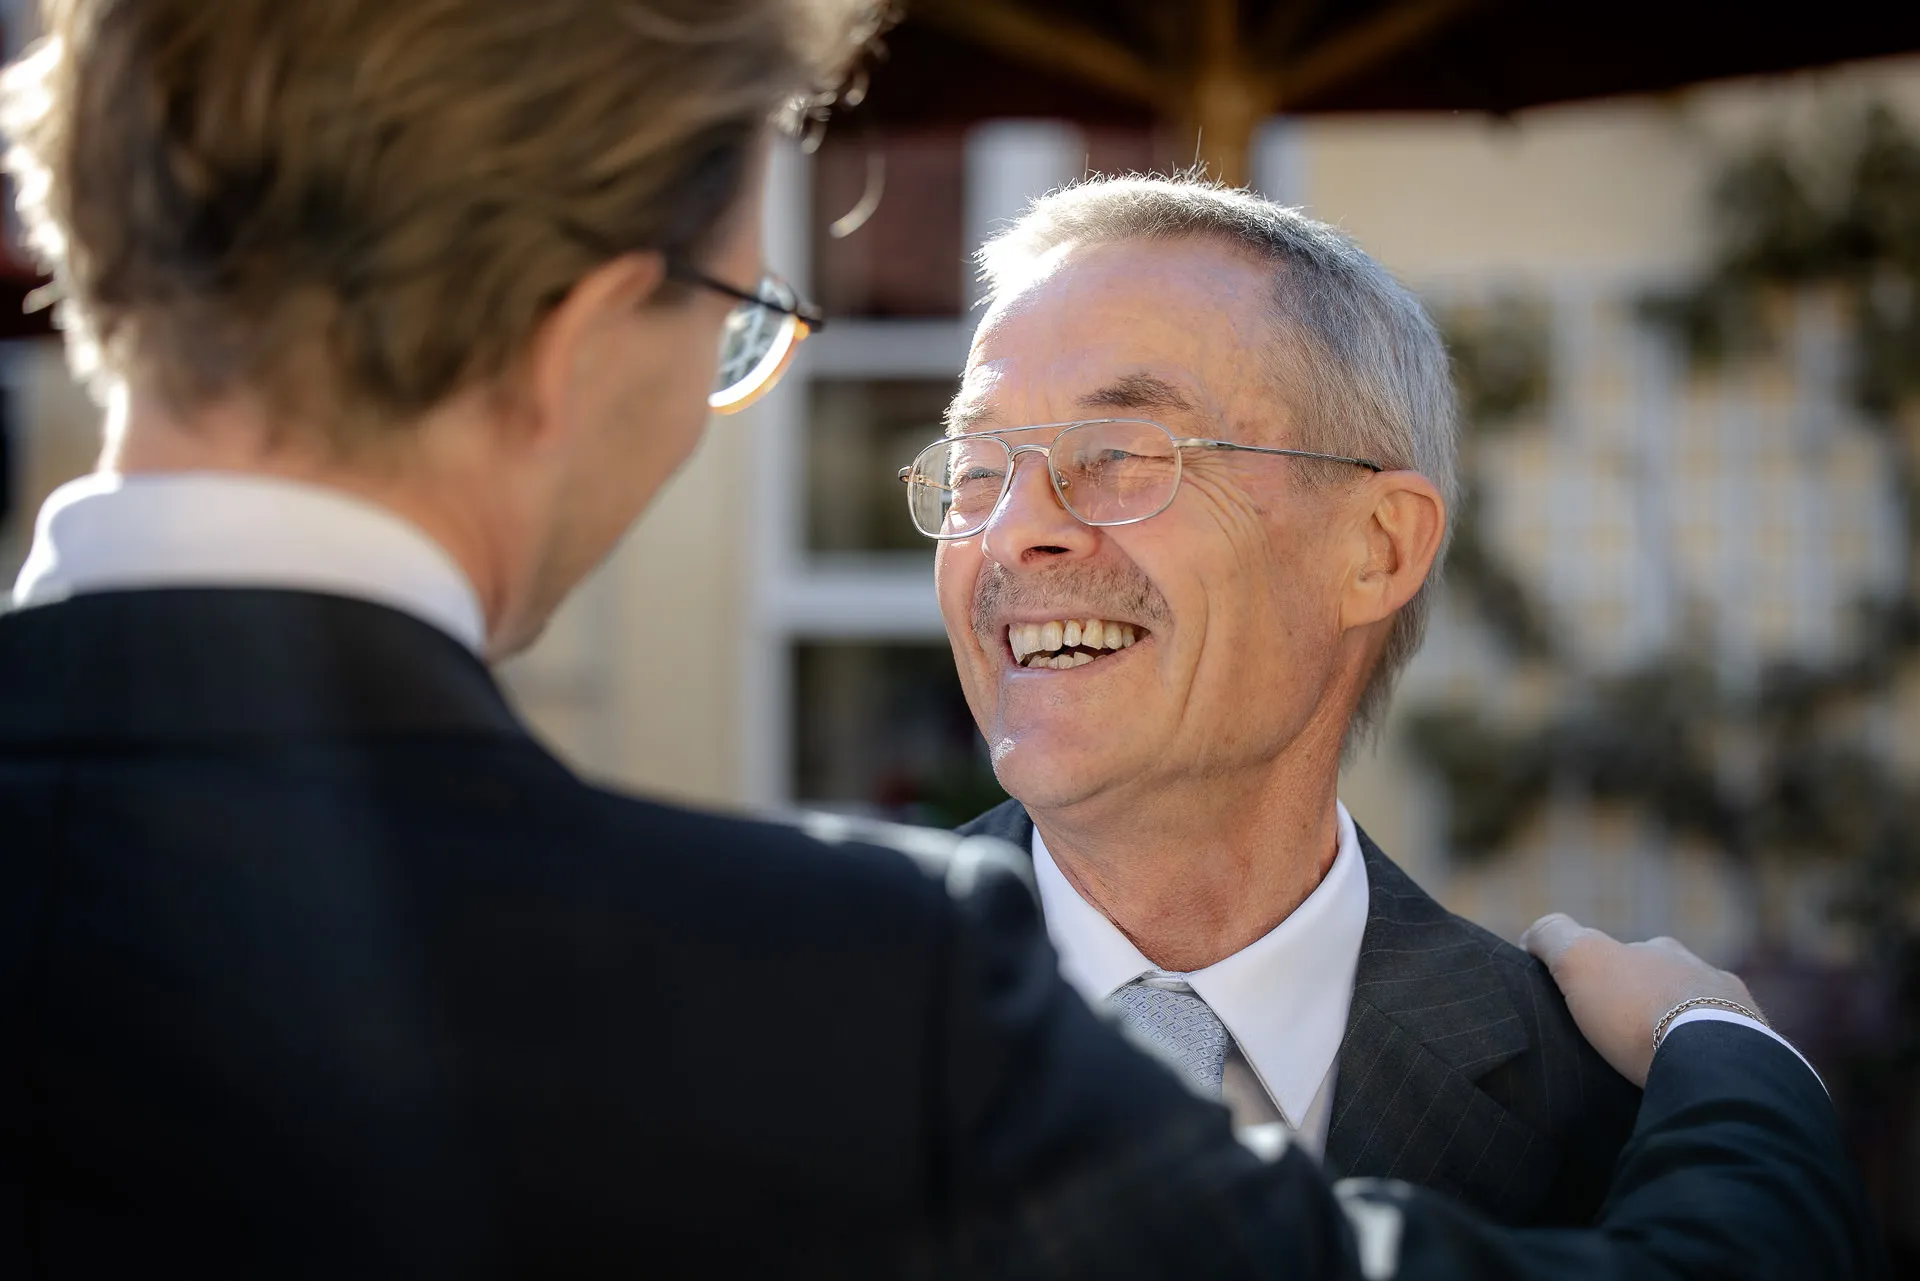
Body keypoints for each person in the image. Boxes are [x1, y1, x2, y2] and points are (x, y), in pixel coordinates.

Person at [0, 1, 1875, 1277]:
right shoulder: (822, 1000)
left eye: (1120, 452)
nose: (1015, 527)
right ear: (584, 335)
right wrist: (1733, 1053)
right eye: (740, 318)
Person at [919, 175, 1631, 1223]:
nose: (1013, 530)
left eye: (1116, 455)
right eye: (980, 466)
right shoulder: (784, 1023)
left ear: (1374, 549)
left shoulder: (1601, 1113)